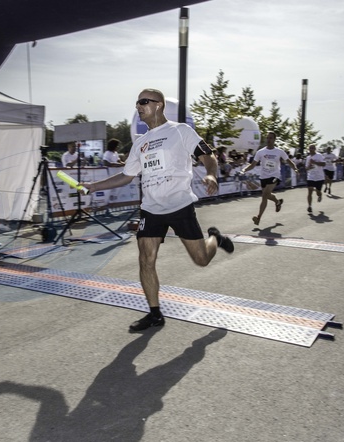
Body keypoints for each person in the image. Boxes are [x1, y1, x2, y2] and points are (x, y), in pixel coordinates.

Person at [82, 88, 234, 333]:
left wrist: (211, 174)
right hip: (151, 209)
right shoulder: (140, 143)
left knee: (201, 260)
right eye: (137, 103)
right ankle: (155, 314)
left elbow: (208, 156)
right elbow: (126, 176)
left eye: (144, 101)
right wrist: (93, 186)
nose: (139, 106)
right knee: (146, 258)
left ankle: (215, 238)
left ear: (159, 105)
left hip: (179, 204)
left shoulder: (180, 131)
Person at [239, 131, 298, 226]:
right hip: (264, 176)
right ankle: (277, 202)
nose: (268, 140)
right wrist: (244, 170)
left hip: (275, 176)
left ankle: (258, 218)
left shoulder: (279, 151)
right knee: (267, 195)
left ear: (274, 140)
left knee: (265, 195)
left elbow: (289, 161)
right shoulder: (260, 152)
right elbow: (253, 164)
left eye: (271, 138)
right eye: (267, 138)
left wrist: (295, 168)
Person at [304, 144, 325, 213]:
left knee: (318, 192)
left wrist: (315, 162)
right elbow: (306, 168)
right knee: (310, 190)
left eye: (313, 148)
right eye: (310, 148)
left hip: (319, 177)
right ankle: (309, 206)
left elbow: (323, 164)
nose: (311, 149)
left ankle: (320, 195)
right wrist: (309, 167)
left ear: (315, 149)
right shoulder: (308, 157)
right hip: (311, 176)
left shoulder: (319, 155)